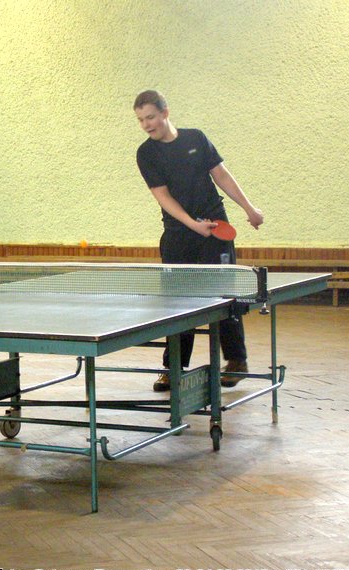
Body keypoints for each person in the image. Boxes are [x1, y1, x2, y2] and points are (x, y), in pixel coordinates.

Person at [133, 90, 264, 392]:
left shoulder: (196, 138)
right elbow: (162, 196)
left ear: (165, 113)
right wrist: (192, 224)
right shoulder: (146, 153)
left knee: (225, 296)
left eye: (150, 117)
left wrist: (249, 209)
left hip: (215, 228)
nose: (146, 125)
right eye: (140, 120)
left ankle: (237, 361)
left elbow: (221, 175)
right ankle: (174, 368)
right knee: (178, 302)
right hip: (179, 233)